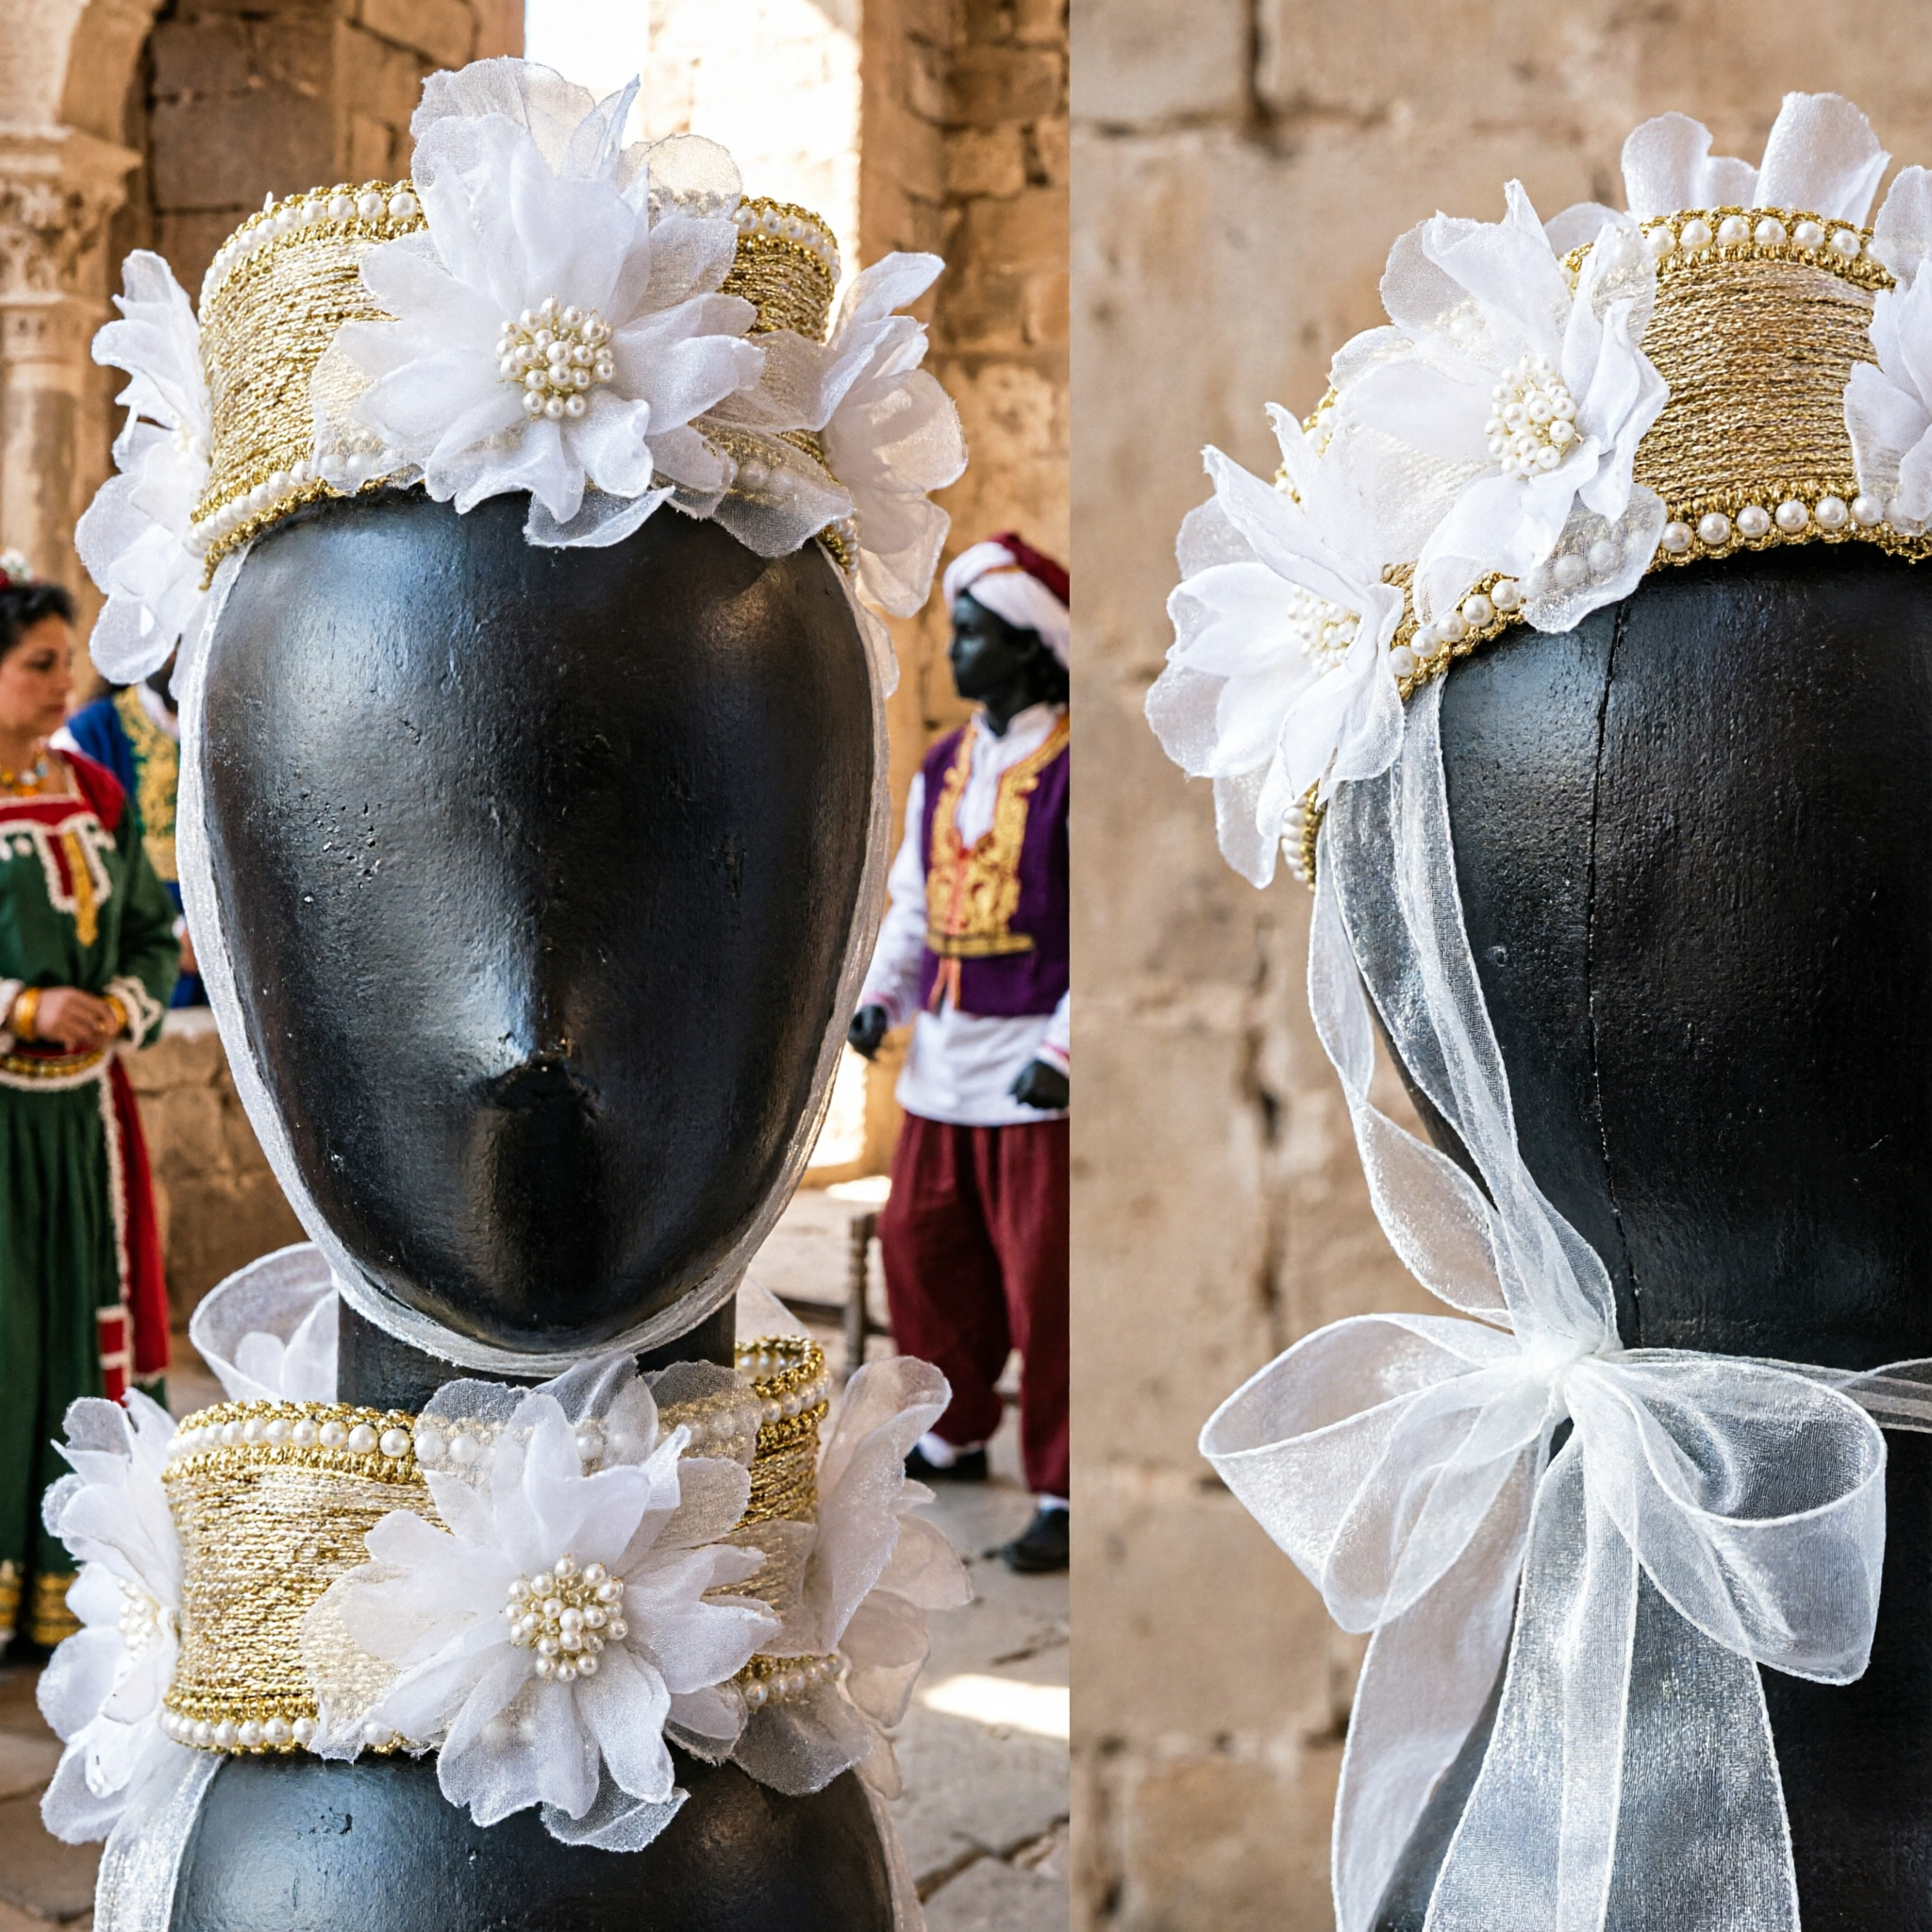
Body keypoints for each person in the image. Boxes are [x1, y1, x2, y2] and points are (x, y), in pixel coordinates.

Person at [849, 532, 1070, 1574]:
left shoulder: (1077, 767)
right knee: (920, 1244)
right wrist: (881, 997)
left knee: (1046, 1285)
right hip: (944, 1053)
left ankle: (1066, 1482)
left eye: (972, 633)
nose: (949, 651)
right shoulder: (943, 766)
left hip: (1034, 1061)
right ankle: (954, 1427)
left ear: (1029, 648)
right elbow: (909, 905)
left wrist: (1068, 1048)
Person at [0, 559, 177, 1651]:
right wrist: (22, 1003)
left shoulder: (96, 799)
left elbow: (153, 935)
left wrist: (115, 1000)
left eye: (67, 660)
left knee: (76, 1337)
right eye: (39, 664)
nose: (68, 682)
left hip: (88, 1126)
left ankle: (69, 1587)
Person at [57, 657, 203, 1005]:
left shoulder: (246, 725)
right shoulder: (86, 737)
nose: (183, 653)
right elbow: (72, 872)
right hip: (133, 970)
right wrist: (174, 935)